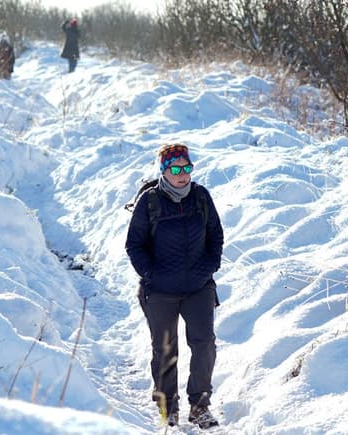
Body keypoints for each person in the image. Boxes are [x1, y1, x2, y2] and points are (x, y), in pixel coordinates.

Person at [125, 143, 224, 429]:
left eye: (187, 167)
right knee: (166, 349)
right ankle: (169, 407)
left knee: (205, 345)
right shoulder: (150, 202)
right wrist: (151, 275)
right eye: (176, 169)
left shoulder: (201, 197)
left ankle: (200, 405)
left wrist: (209, 267)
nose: (183, 174)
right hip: (160, 292)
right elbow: (134, 245)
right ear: (164, 172)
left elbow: (215, 236)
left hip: (198, 288)